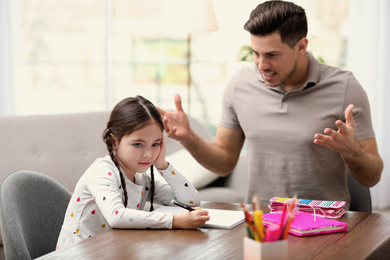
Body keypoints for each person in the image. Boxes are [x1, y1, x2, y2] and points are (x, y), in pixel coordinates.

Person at [158, 1, 383, 208]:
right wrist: (189, 138)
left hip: (323, 224)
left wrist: (351, 151)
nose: (261, 65)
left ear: (301, 46)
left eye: (272, 54)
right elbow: (224, 162)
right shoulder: (240, 85)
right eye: (256, 53)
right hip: (262, 225)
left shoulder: (344, 87)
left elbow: (371, 177)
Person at [56, 96, 209, 250]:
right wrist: (175, 221)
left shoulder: (141, 179)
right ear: (114, 142)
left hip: (110, 251)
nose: (148, 154)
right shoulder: (102, 171)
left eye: (155, 144)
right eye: (138, 144)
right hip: (76, 254)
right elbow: (117, 215)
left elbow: (191, 202)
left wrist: (162, 165)